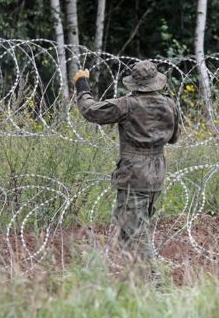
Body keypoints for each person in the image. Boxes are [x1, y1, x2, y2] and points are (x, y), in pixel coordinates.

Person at [73, 61, 180, 276]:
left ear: (135, 84)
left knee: (133, 232)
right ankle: (140, 277)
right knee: (134, 228)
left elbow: (91, 111)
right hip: (157, 171)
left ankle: (151, 280)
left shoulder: (126, 104)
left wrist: (81, 85)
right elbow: (174, 138)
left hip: (134, 173)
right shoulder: (170, 105)